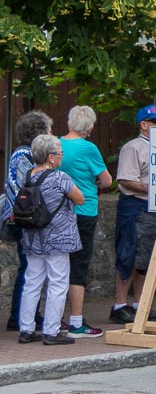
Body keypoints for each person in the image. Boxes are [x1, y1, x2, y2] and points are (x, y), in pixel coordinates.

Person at [17, 134, 84, 345]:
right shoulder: (60, 177)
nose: (61, 156)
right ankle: (51, 331)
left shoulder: (27, 176)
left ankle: (26, 329)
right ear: (50, 157)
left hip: (33, 236)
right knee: (58, 283)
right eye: (59, 153)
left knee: (32, 283)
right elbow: (80, 198)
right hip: (58, 237)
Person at [58, 105, 112, 338]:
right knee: (79, 266)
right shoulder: (89, 148)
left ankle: (54, 319)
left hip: (59, 211)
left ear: (69, 123)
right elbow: (107, 181)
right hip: (84, 209)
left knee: (58, 265)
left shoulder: (55, 145)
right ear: (89, 128)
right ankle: (76, 322)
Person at [110, 104, 156, 325]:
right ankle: (120, 305)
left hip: (153, 207)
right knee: (128, 256)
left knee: (146, 258)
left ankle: (139, 304)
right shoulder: (132, 148)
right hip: (134, 206)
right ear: (144, 125)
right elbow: (124, 179)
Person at [3, 110, 53, 332]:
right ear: (39, 132)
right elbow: (32, 185)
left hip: (21, 218)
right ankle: (20, 316)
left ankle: (27, 314)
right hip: (23, 220)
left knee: (29, 267)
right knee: (28, 268)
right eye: (49, 130)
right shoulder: (25, 155)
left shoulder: (20, 154)